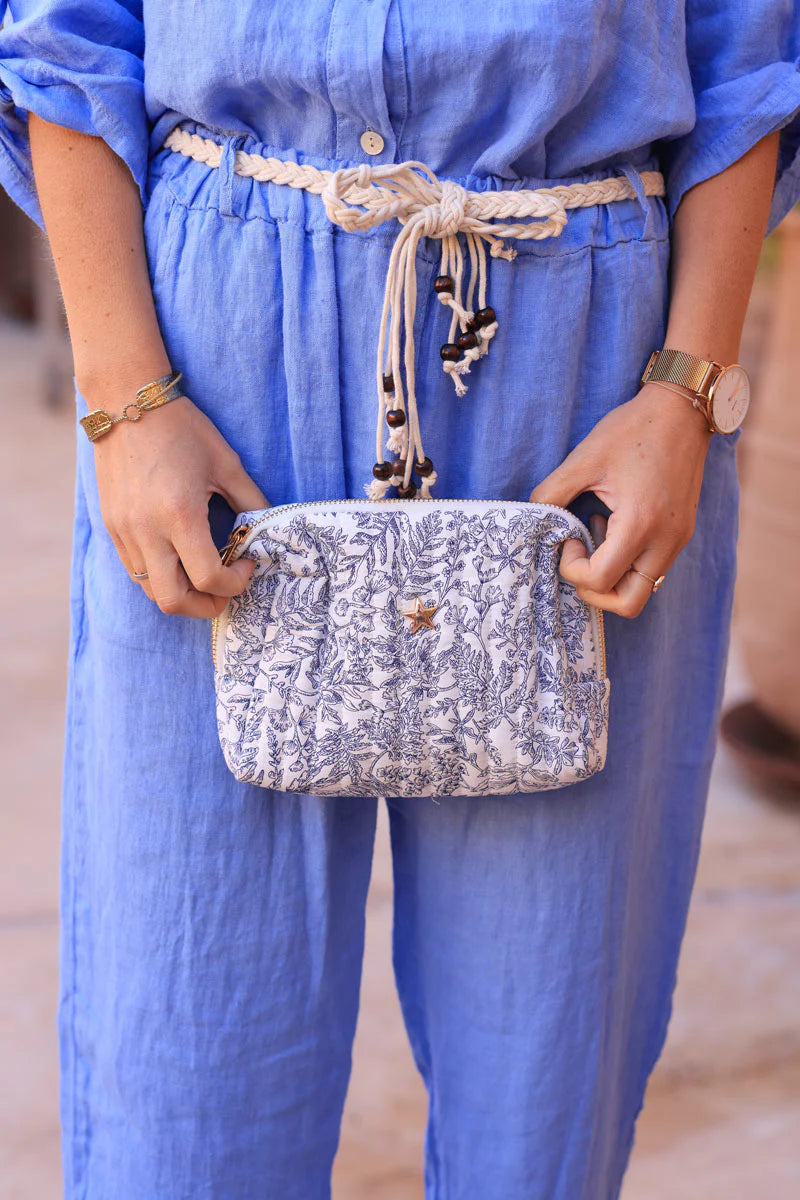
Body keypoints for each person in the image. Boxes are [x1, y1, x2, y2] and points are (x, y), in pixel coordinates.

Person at [1, 2, 799, 1197]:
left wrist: (686, 390)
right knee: (187, 1005)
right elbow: (64, 40)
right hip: (214, 362)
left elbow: (749, 58)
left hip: (581, 369)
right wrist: (124, 394)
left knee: (543, 1032)